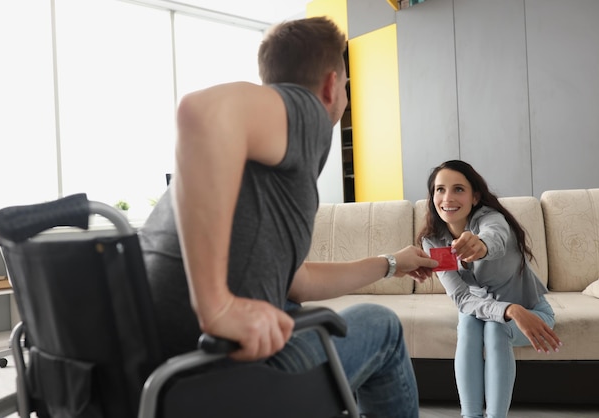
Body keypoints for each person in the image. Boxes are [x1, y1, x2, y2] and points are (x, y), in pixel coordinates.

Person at [139, 17, 438, 418]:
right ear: (331, 86)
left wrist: (391, 264)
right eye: (347, 87)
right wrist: (218, 306)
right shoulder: (307, 111)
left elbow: (298, 282)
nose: (345, 98)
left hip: (172, 373)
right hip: (233, 374)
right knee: (382, 325)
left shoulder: (249, 171)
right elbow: (200, 110)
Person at [417, 160, 562, 418]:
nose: (447, 198)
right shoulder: (435, 242)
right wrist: (510, 309)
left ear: (475, 197)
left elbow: (494, 238)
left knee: (496, 328)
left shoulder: (491, 220)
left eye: (458, 189)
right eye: (440, 189)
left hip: (532, 310)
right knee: (470, 325)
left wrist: (480, 246)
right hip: (482, 310)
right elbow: (461, 298)